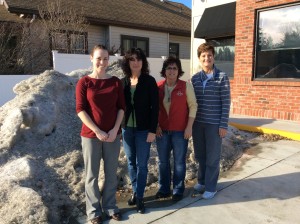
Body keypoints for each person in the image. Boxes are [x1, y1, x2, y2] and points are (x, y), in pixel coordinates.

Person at [76, 45, 125, 224]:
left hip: (113, 135)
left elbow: (121, 108)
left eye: (105, 58)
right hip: (90, 136)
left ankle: (111, 206)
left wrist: (114, 130)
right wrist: (97, 130)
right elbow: (80, 110)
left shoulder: (115, 82)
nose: (102, 62)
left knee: (111, 173)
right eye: (98, 58)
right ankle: (94, 212)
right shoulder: (84, 82)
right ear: (91, 58)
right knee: (92, 175)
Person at [121, 48, 159, 214]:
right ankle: (135, 192)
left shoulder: (149, 81)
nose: (135, 62)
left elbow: (155, 108)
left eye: (138, 59)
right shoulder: (123, 82)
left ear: (143, 62)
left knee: (141, 165)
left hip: (144, 130)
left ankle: (140, 196)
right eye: (132, 59)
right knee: (131, 163)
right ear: (127, 63)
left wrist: (152, 130)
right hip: (127, 130)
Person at [191, 42, 231, 199]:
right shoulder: (195, 79)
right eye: (203, 56)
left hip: (214, 125)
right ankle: (201, 181)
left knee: (212, 156)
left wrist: (223, 124)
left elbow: (226, 102)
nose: (206, 58)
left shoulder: (222, 77)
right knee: (200, 155)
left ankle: (211, 187)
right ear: (199, 59)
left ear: (214, 58)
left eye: (209, 55)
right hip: (198, 124)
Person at [156, 56, 197, 201]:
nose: (172, 71)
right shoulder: (158, 86)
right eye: (169, 68)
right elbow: (153, 108)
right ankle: (164, 189)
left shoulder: (186, 86)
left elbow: (193, 106)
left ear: (178, 70)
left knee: (179, 161)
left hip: (180, 131)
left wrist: (189, 128)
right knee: (163, 162)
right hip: (162, 131)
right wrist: (156, 126)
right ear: (164, 71)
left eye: (174, 68)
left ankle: (178, 190)